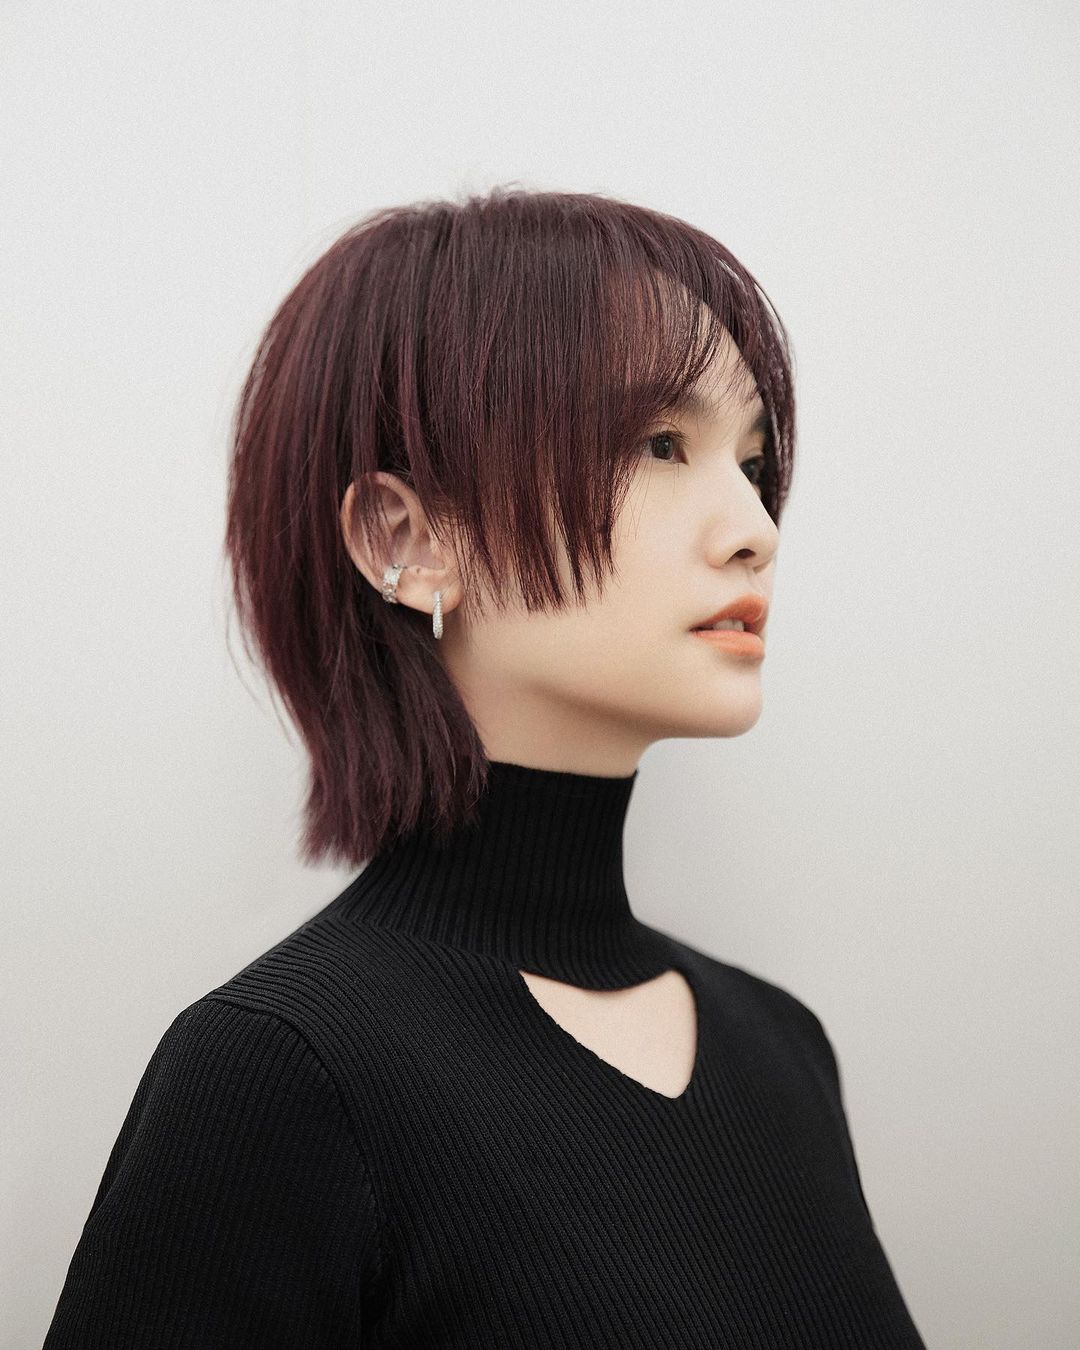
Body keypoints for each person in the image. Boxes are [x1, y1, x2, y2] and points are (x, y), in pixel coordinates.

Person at [43, 186, 926, 1347]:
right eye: (660, 444)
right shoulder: (284, 1071)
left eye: (754, 460)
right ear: (405, 540)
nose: (754, 527)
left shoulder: (781, 1050)